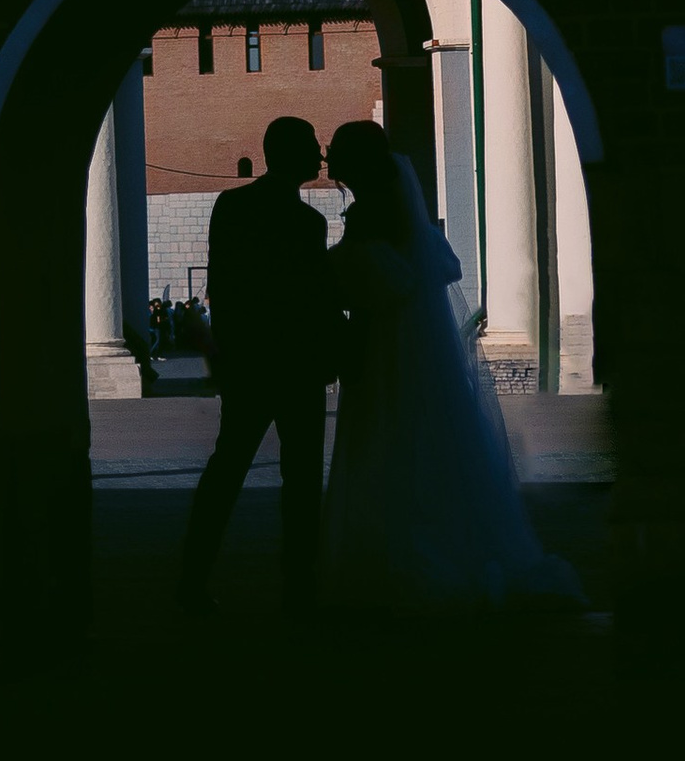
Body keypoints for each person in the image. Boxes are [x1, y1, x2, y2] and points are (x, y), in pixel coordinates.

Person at [321, 118, 583, 612]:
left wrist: (330, 274)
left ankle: (398, 556)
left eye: (333, 149)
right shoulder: (399, 210)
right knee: (419, 434)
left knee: (385, 435)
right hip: (407, 341)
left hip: (383, 344)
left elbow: (383, 279)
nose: (327, 156)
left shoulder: (367, 214)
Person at [176, 116, 340, 618]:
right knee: (302, 480)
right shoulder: (308, 224)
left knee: (225, 471)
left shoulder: (232, 206)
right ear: (288, 152)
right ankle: (298, 587)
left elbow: (223, 288)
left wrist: (223, 357)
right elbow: (314, 301)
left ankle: (191, 579)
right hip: (299, 368)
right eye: (312, 145)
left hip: (248, 365)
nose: (320, 154)